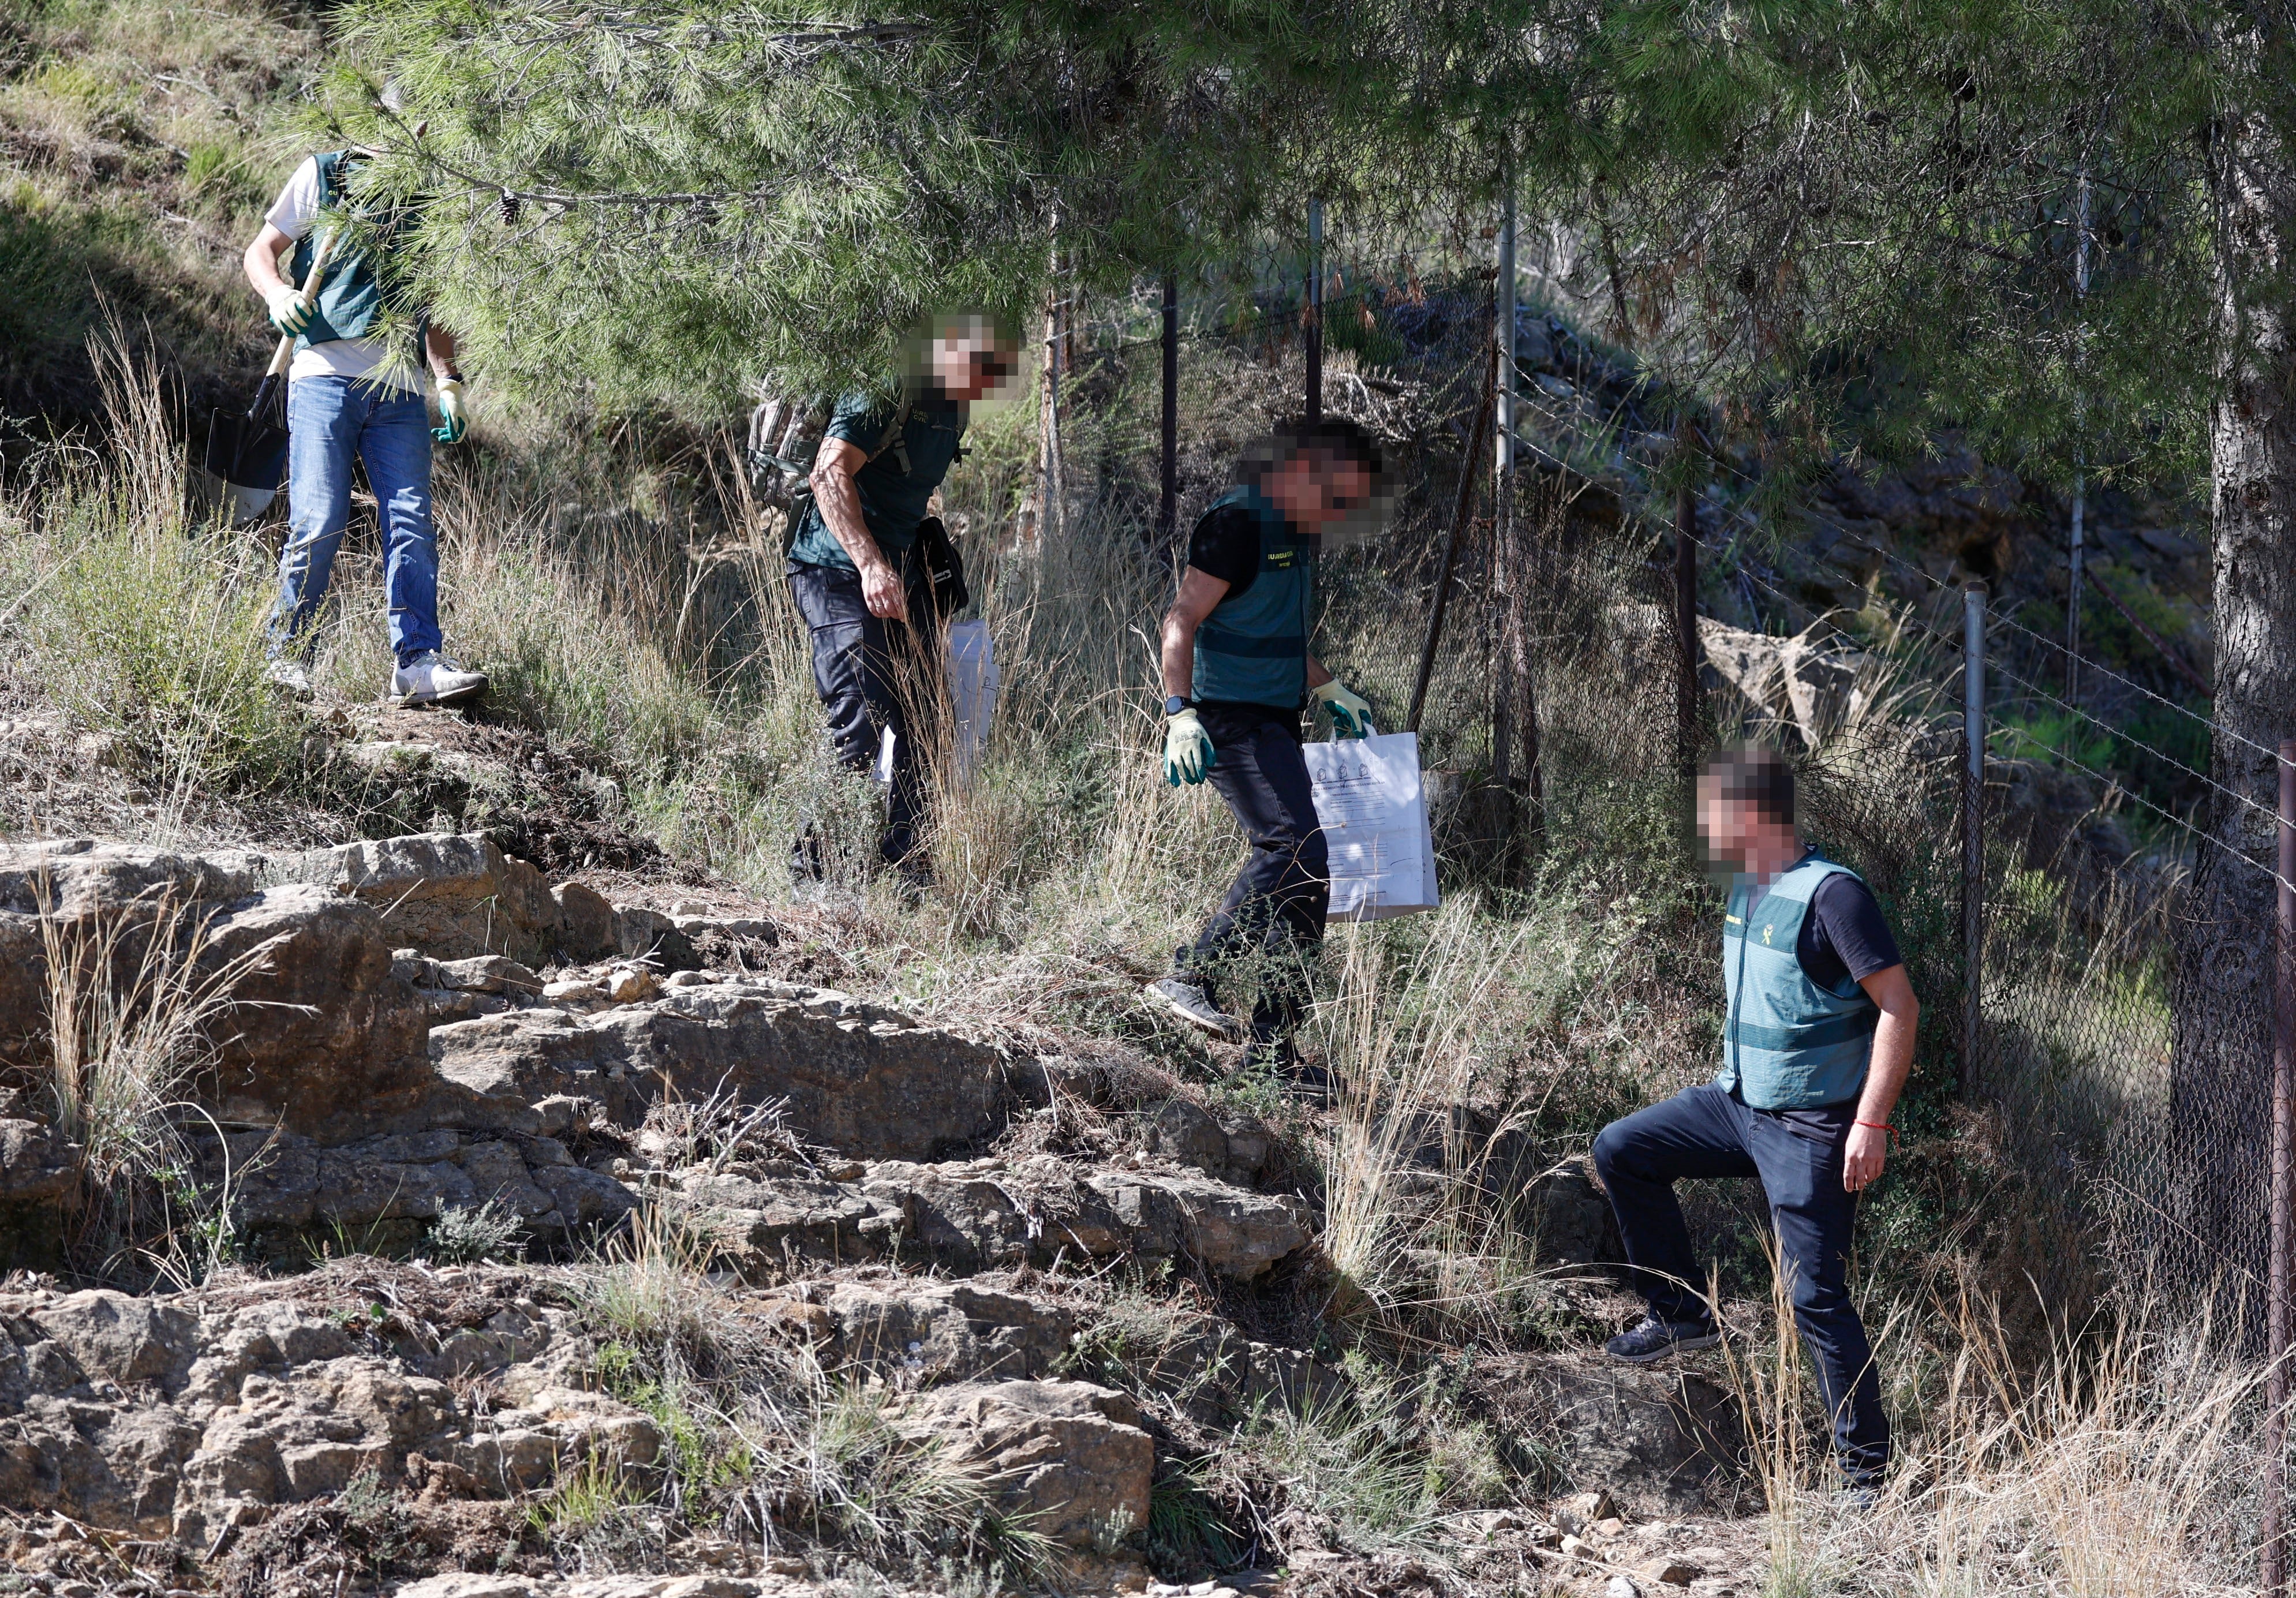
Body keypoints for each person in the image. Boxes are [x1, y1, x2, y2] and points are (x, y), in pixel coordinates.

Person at [1591, 745, 1918, 1496]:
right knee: (1623, 1149)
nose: (1704, 829)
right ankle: (1679, 1314)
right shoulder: (1745, 883)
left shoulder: (1834, 896)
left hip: (1811, 1123)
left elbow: (1899, 1005)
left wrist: (1870, 1123)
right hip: (1737, 1105)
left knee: (1815, 1297)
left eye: (1714, 814)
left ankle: (1863, 1481)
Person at [1141, 418, 1383, 1081]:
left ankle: (1273, 1052)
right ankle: (1191, 975)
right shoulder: (1238, 523)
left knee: (1313, 871)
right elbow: (1181, 620)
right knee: (1292, 845)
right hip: (1224, 717)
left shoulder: (1297, 533)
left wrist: (1327, 683)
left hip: (1276, 720)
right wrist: (1179, 714)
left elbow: (1270, 630)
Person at [245, 146, 485, 706]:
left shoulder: (431, 190)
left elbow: (432, 300)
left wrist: (447, 379)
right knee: (319, 518)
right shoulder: (326, 174)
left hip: (399, 385)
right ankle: (286, 659)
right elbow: (261, 251)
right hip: (321, 376)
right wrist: (278, 293)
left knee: (412, 523)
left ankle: (418, 663)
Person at [786, 313, 1018, 884]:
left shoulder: (955, 406)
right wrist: (870, 563)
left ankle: (909, 869)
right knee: (859, 720)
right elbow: (828, 474)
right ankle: (814, 877)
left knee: (930, 720)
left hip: (899, 574)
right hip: (834, 568)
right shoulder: (886, 388)